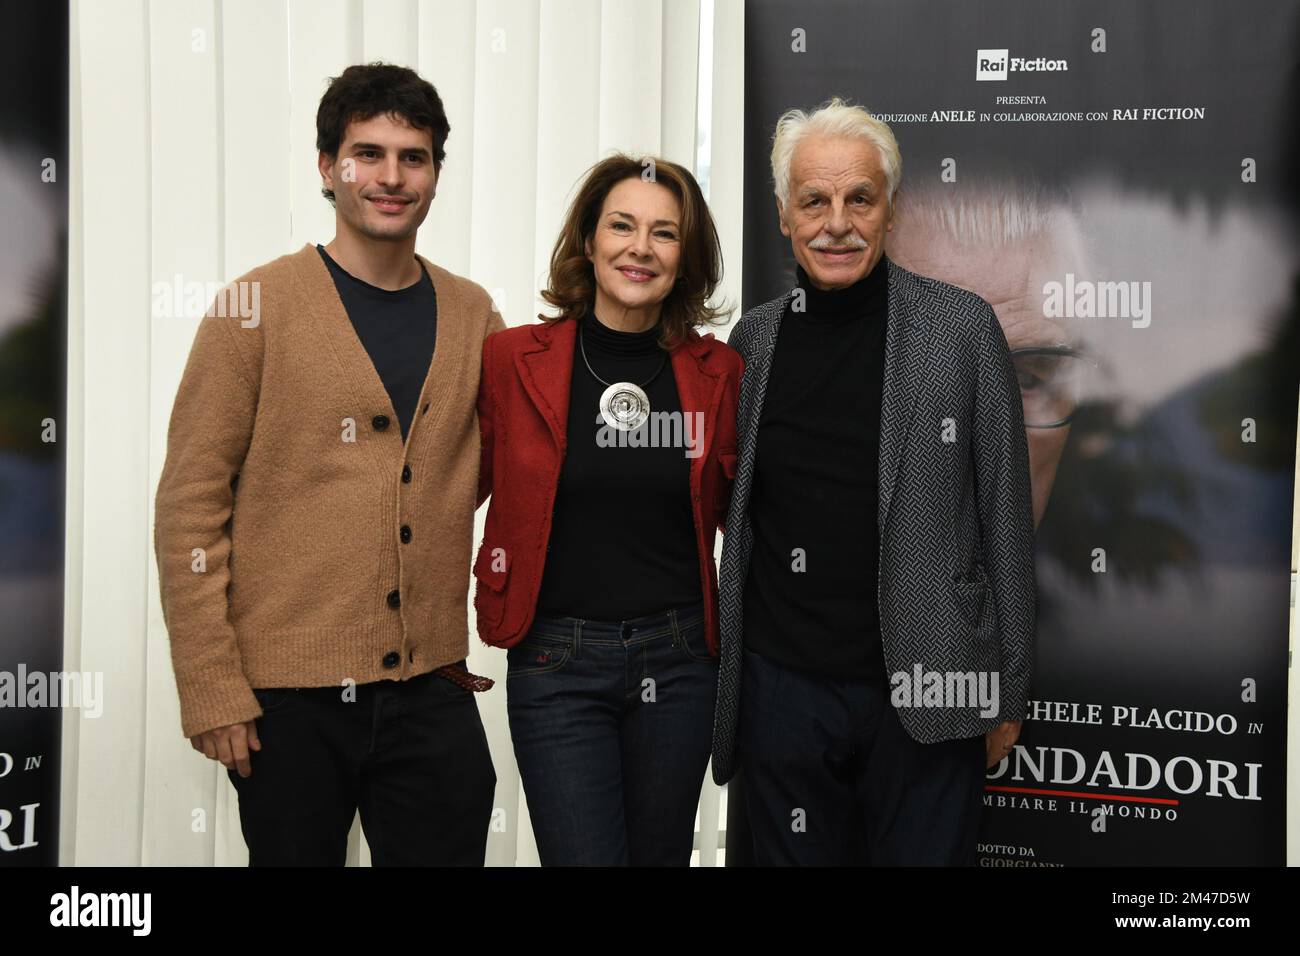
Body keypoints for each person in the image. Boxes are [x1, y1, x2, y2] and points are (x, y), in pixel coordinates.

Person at [153, 63, 500, 866]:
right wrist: (212, 686)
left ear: (437, 175)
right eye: (366, 153)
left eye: (413, 157)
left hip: (431, 687)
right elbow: (190, 506)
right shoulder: (255, 309)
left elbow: (486, 466)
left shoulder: (475, 315)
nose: (390, 176)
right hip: (288, 698)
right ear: (325, 167)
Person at [710, 97, 1037, 865]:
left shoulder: (961, 328)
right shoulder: (753, 339)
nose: (837, 222)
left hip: (930, 689)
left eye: (860, 198)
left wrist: (1009, 690)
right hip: (781, 689)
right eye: (814, 200)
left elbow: (1006, 517)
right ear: (785, 216)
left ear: (890, 210)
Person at [474, 154, 742, 865]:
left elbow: (751, 515)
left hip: (682, 660)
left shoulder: (720, 373)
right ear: (587, 241)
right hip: (557, 662)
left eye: (664, 233)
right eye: (621, 226)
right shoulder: (509, 361)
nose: (639, 248)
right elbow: (443, 496)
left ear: (685, 258)